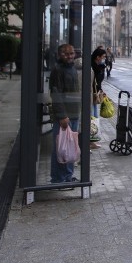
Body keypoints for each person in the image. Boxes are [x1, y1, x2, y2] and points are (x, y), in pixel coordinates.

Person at [49, 44, 82, 185]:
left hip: (73, 114)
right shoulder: (58, 70)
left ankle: (68, 176)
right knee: (60, 147)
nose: (69, 56)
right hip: (64, 117)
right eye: (66, 54)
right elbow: (56, 93)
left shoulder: (72, 68)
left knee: (70, 147)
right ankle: (58, 179)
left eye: (71, 53)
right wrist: (62, 115)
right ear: (60, 55)